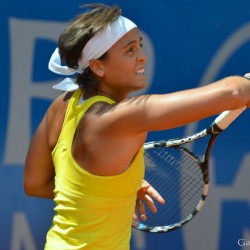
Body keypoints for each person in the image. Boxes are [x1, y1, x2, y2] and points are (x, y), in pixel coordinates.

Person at [24, 3, 250, 250]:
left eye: (139, 45)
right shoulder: (120, 119)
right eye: (130, 50)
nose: (142, 55)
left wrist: (109, 194)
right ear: (98, 66)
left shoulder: (63, 104)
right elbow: (236, 92)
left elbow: (35, 184)